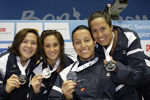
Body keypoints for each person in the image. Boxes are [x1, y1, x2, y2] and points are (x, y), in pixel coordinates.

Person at [48, 25, 127, 100]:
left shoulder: (109, 66)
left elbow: (126, 95)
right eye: (78, 42)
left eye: (87, 40)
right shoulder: (65, 74)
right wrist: (65, 98)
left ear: (94, 42)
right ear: (73, 46)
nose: (83, 45)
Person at [88, 11, 148, 100]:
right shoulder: (93, 45)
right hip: (125, 87)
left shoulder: (129, 37)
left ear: (111, 27)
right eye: (94, 31)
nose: (99, 35)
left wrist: (116, 67)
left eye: (103, 28)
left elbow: (138, 72)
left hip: (145, 80)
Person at [28, 30, 74, 100]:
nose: (52, 49)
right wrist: (36, 92)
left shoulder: (74, 63)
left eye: (55, 45)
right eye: (47, 46)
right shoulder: (38, 71)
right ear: (43, 48)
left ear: (61, 46)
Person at [0, 28, 41, 100]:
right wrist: (5, 89)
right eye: (25, 41)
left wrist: (36, 92)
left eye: (33, 43)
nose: (29, 46)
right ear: (18, 43)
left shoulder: (37, 63)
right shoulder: (3, 60)